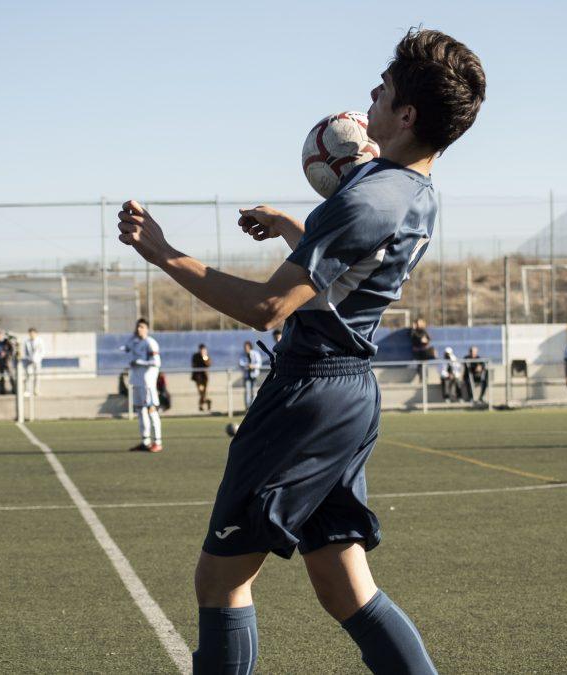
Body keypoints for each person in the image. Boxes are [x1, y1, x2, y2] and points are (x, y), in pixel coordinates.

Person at [116, 28, 482, 673]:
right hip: (349, 391)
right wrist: (294, 228)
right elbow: (352, 269)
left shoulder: (368, 195)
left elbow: (267, 309)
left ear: (405, 116)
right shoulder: (414, 190)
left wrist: (163, 253)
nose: (370, 92)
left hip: (307, 394)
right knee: (344, 586)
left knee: (220, 581)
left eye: (385, 86)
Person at [121, 318, 163, 452]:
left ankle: (158, 441)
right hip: (137, 382)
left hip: (148, 384)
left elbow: (156, 362)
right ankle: (145, 441)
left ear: (147, 329)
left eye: (142, 327)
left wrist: (140, 362)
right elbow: (125, 348)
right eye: (137, 327)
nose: (139, 329)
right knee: (140, 411)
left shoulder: (150, 343)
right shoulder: (135, 342)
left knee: (151, 411)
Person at [239, 341, 263, 409]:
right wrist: (247, 366)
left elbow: (259, 364)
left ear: (250, 347)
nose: (246, 349)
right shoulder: (243, 354)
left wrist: (253, 366)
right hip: (246, 375)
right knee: (247, 391)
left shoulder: (255, 354)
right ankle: (247, 407)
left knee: (254, 391)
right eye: (245, 347)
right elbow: (240, 363)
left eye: (247, 347)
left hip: (254, 375)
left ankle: (253, 406)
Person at [22, 327, 45, 396]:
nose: (31, 335)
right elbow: (25, 352)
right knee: (28, 375)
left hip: (37, 361)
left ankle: (36, 390)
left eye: (33, 333)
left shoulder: (40, 341)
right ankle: (27, 390)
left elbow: (42, 351)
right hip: (29, 361)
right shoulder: (27, 342)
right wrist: (29, 358)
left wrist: (38, 359)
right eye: (30, 333)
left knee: (37, 376)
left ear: (36, 333)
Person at [0, 328, 16, 395]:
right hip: (0, 362)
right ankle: (2, 390)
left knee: (11, 376)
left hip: (7, 361)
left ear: (1, 335)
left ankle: (14, 390)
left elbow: (12, 351)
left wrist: (5, 353)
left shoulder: (6, 341)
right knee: (1, 376)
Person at [191, 344, 213, 412]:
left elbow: (208, 364)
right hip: (198, 377)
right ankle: (207, 401)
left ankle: (201, 405)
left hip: (205, 377)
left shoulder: (206, 356)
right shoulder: (195, 356)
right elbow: (193, 365)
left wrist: (204, 357)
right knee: (201, 392)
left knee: (204, 392)